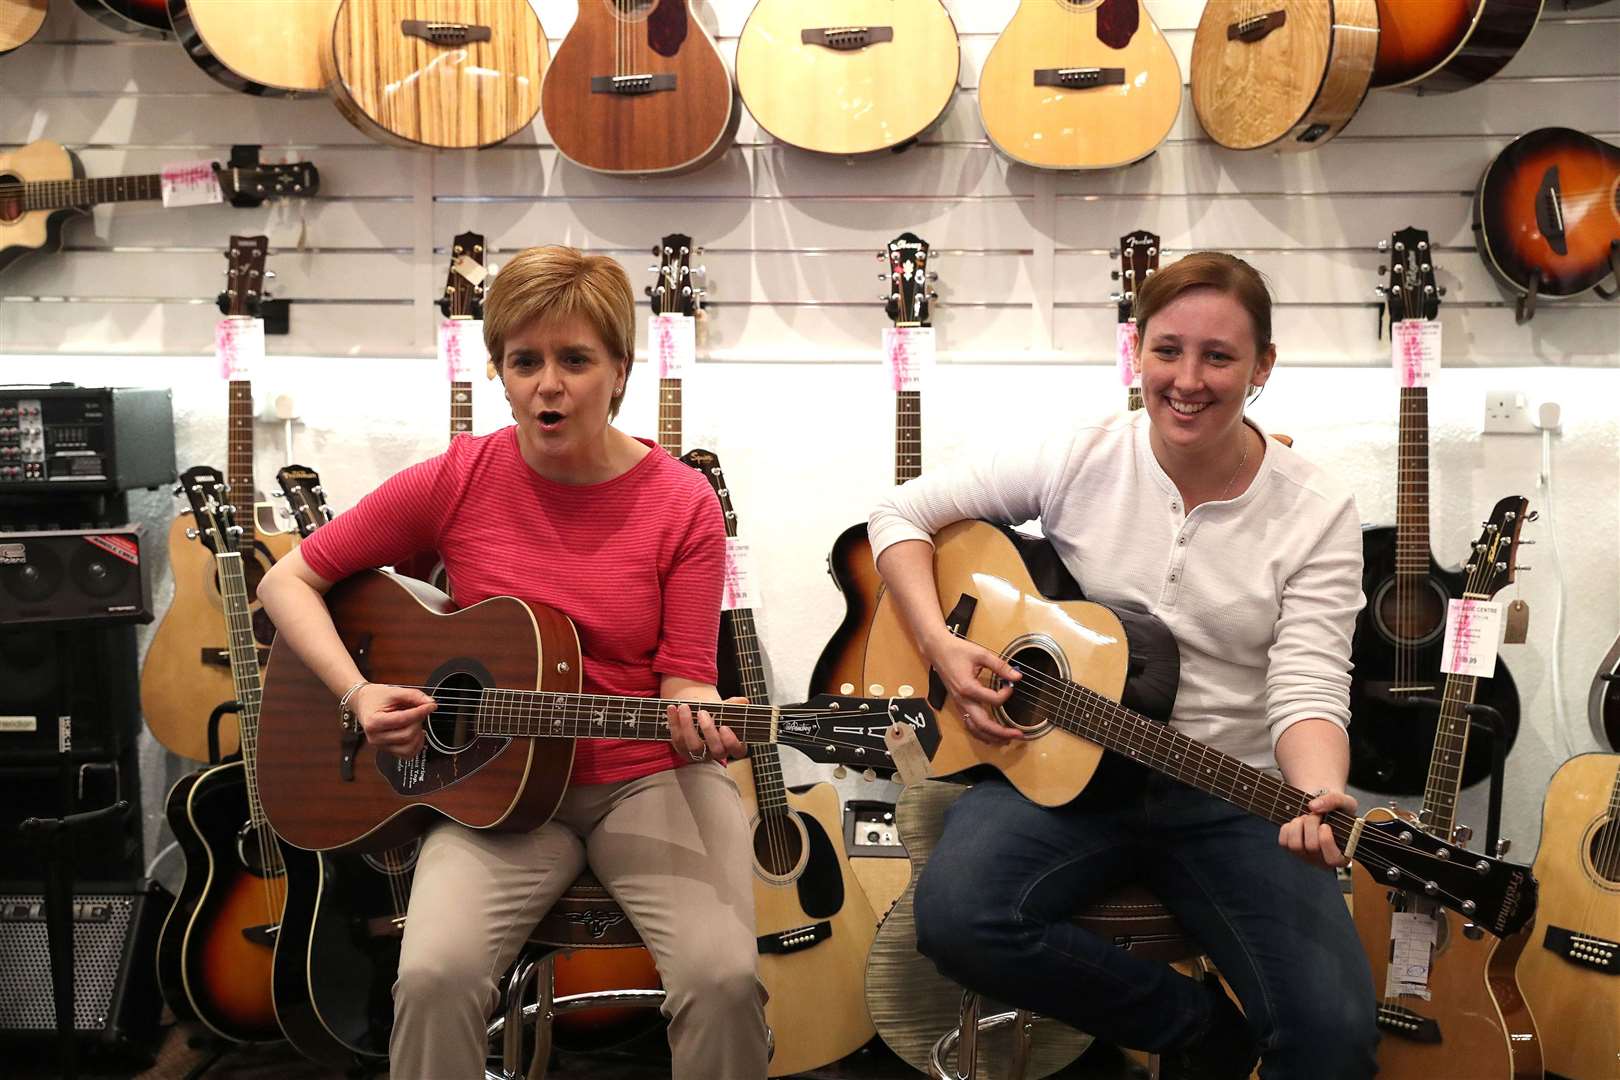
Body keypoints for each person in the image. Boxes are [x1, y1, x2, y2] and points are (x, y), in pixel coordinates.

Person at [257, 245, 768, 1078]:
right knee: (429, 976)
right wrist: (355, 691)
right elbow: (290, 580)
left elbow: (684, 675)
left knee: (724, 980)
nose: (548, 385)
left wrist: (700, 709)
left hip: (646, 776)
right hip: (494, 790)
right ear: (497, 371)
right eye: (525, 362)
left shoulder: (682, 502)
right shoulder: (460, 478)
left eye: (575, 360)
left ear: (620, 371)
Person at [867, 251, 1378, 1079]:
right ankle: (1200, 1032)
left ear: (1263, 368)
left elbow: (1309, 682)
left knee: (1334, 1040)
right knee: (960, 920)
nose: (1187, 379)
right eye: (1167, 350)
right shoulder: (1081, 454)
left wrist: (1317, 788)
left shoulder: (1317, 510)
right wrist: (941, 645)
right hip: (1063, 776)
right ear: (1135, 351)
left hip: (1229, 788)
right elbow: (898, 514)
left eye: (1219, 356)